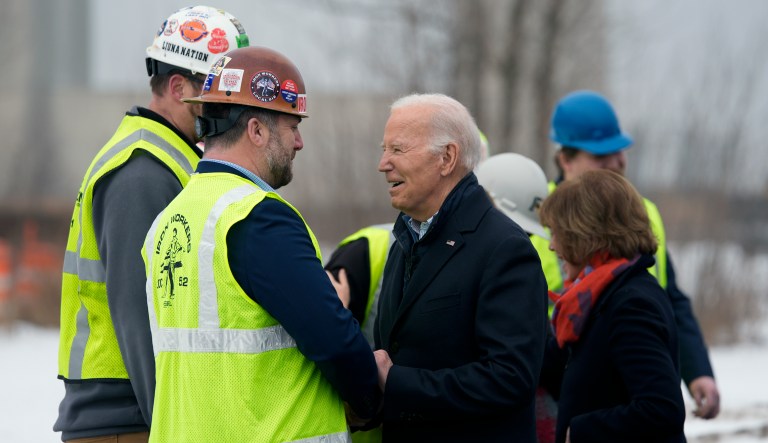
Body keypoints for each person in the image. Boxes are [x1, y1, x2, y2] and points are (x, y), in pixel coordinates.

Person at [141, 46, 380, 442]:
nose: (300, 142)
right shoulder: (259, 217)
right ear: (256, 130)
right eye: (292, 127)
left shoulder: (168, 220)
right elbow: (332, 339)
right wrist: (371, 397)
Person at [55, 6, 249, 442]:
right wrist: (174, 429)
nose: (227, 107)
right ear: (179, 87)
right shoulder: (142, 173)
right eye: (216, 92)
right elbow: (138, 314)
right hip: (129, 419)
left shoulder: (170, 162)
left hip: (138, 416)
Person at [530, 89, 720, 420]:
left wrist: (697, 370)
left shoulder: (642, 212)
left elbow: (671, 298)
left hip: (636, 394)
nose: (617, 163)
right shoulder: (532, 217)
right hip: (562, 390)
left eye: (620, 151)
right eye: (602, 157)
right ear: (566, 160)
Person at [373, 93, 548, 442]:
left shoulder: (504, 248)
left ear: (447, 158)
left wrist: (396, 384)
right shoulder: (408, 238)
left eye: (398, 149)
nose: (383, 163)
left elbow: (510, 378)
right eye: (384, 149)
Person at [538, 169, 686, 443]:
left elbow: (662, 409)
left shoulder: (631, 304)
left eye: (558, 233)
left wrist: (580, 431)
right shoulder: (594, 295)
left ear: (586, 234)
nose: (552, 246)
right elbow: (557, 365)